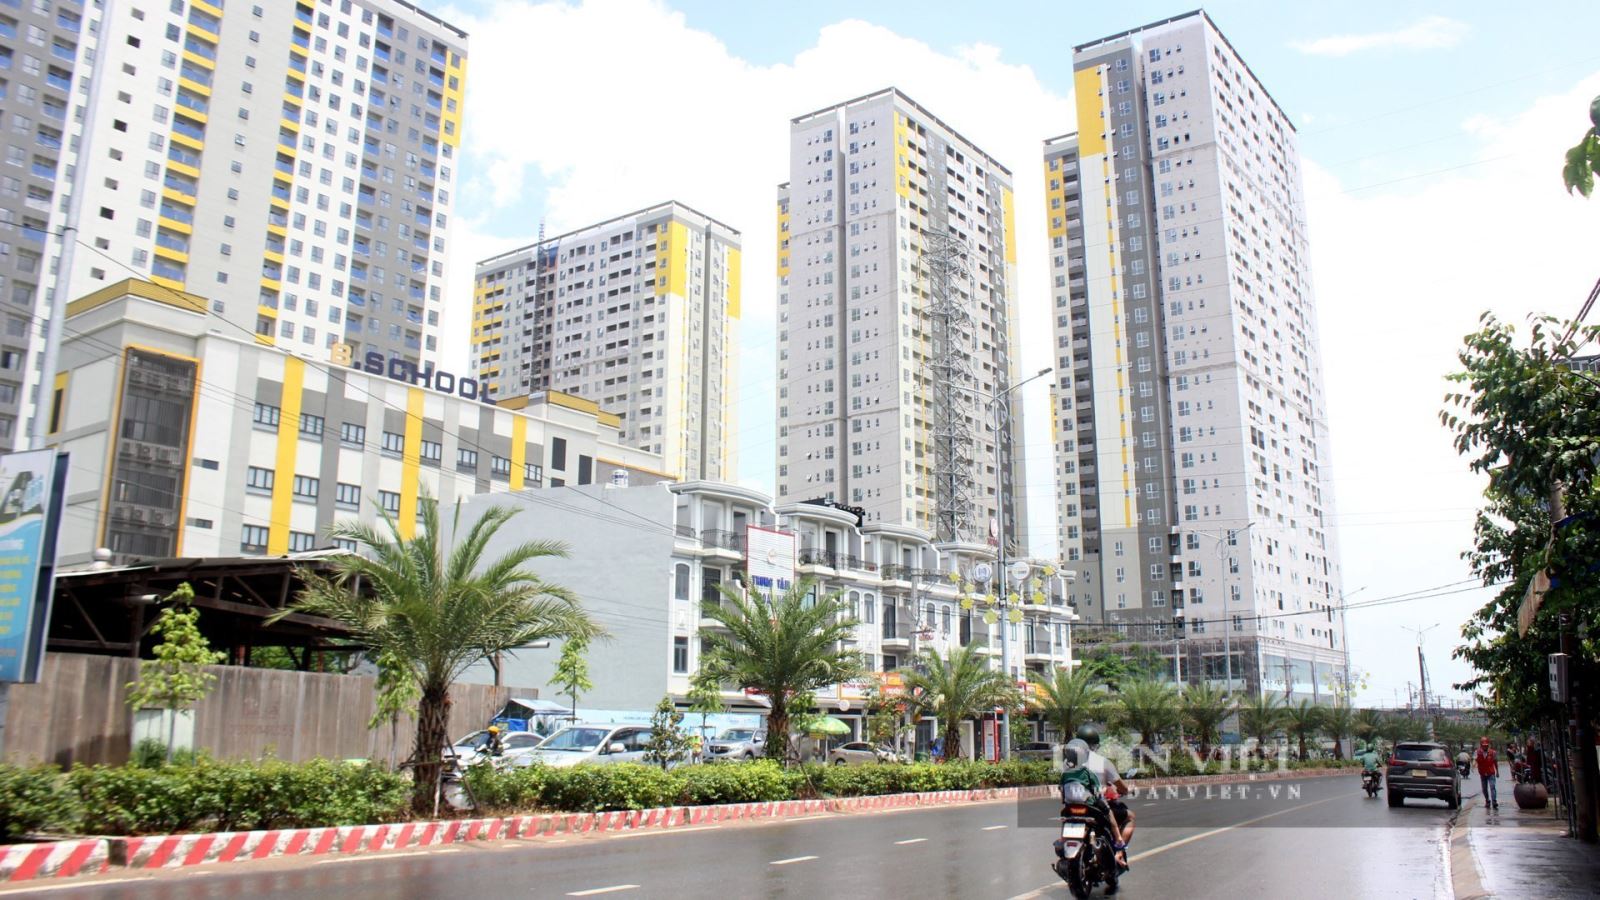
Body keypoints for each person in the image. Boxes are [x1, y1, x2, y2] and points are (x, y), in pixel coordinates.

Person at [1075, 726, 1135, 869]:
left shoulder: (1068, 762)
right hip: (1095, 806)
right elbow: (1121, 786)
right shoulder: (1102, 762)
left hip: (1073, 806)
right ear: (1095, 745)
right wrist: (1126, 790)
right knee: (1130, 816)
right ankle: (1119, 851)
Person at [1474, 736, 1499, 809]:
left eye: (1486, 745)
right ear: (1481, 745)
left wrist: (1497, 771)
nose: (1485, 746)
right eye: (1483, 745)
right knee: (1484, 788)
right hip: (1482, 773)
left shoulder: (1493, 752)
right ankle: (1487, 800)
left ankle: (1494, 801)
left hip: (1491, 773)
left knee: (1492, 786)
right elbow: (1474, 759)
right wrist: (1473, 764)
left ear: (1488, 745)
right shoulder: (1477, 752)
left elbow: (1495, 762)